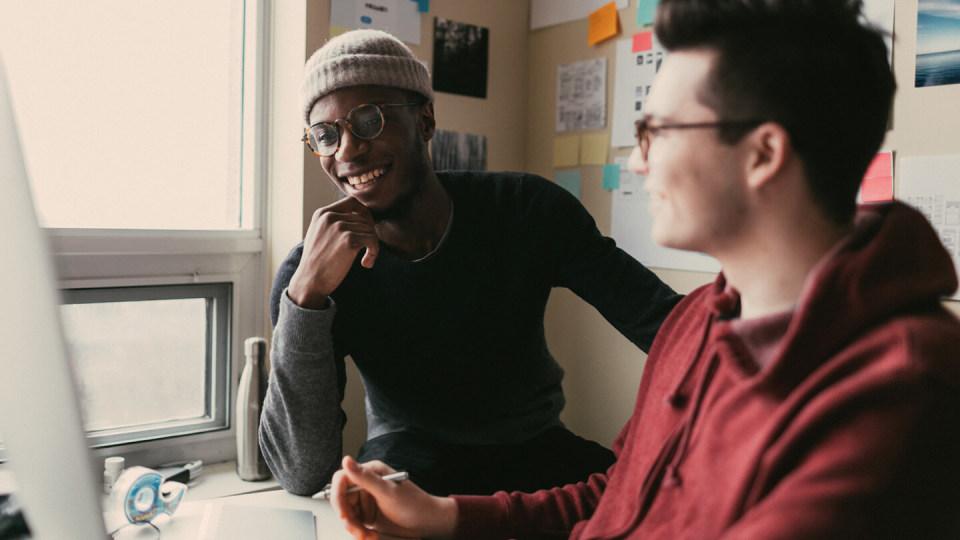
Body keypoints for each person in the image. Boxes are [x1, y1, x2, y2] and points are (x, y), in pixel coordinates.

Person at [328, 1, 960, 538]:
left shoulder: (898, 392)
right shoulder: (696, 324)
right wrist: (449, 516)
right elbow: (619, 494)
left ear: (764, 153)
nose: (636, 164)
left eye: (656, 132)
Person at [259, 29, 682, 497]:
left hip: (539, 452)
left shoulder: (524, 209)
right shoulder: (310, 275)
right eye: (326, 135)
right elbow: (303, 472)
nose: (348, 150)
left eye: (368, 120)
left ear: (425, 121)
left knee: (660, 506)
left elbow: (667, 325)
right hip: (407, 465)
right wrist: (305, 297)